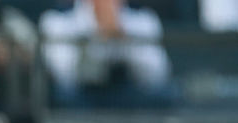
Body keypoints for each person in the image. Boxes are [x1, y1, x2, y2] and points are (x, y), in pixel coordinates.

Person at [39, 0, 174, 108]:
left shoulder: (144, 19)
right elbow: (65, 80)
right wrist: (96, 30)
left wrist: (121, 36)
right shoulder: (57, 20)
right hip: (81, 107)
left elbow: (157, 78)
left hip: (131, 106)